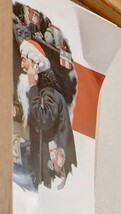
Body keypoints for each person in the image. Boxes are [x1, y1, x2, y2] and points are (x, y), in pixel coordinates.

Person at [17, 37, 73, 189]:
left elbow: (43, 120)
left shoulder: (49, 92)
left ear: (35, 65)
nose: (22, 65)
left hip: (52, 163)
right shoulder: (42, 90)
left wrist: (33, 85)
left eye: (24, 60)